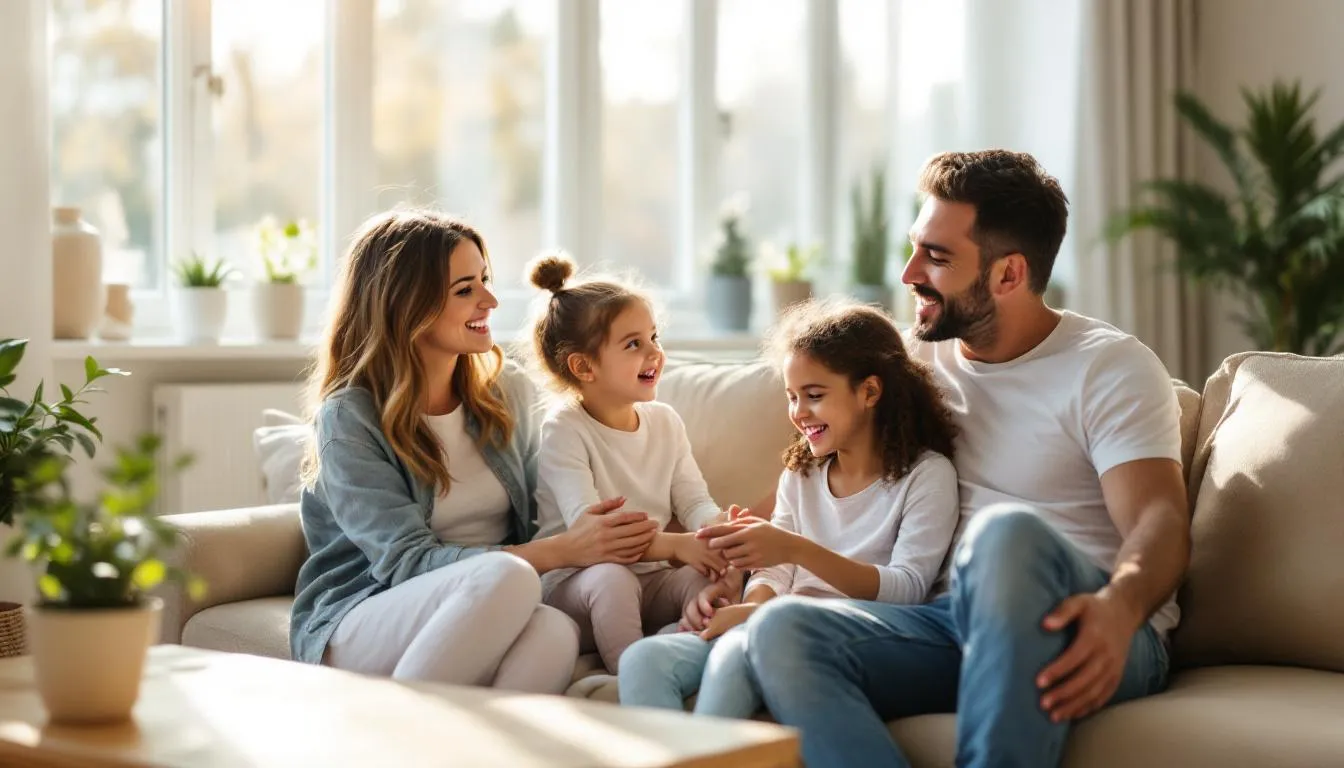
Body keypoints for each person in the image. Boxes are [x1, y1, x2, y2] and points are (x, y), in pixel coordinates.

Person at [743, 150, 1190, 767]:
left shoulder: (1108, 367)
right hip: (950, 624)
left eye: (937, 256)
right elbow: (813, 474)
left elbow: (1159, 522)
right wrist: (725, 543)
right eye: (914, 246)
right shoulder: (910, 366)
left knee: (1004, 536)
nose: (908, 274)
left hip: (1091, 625)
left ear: (1008, 275)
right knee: (782, 631)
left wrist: (1120, 608)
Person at [290, 210, 660, 695]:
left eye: (484, 280)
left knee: (556, 630)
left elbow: (542, 511)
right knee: (511, 577)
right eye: (465, 289)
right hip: (365, 611)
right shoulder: (350, 416)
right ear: (407, 305)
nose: (490, 299)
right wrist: (559, 551)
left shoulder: (507, 393)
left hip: (488, 599)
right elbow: (404, 563)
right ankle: (392, 734)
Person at [617, 299, 960, 719]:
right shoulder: (802, 475)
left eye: (814, 396)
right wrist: (747, 604)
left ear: (869, 391)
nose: (798, 413)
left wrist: (794, 552)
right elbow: (772, 571)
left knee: (733, 660)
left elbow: (907, 588)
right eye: (791, 397)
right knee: (643, 661)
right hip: (769, 619)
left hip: (840, 638)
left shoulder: (927, 476)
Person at [527, 252, 732, 674]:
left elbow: (693, 501)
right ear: (583, 366)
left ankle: (676, 646)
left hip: (652, 578)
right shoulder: (565, 428)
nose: (655, 352)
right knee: (613, 579)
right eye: (634, 344)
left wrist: (719, 531)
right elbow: (596, 535)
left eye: (654, 337)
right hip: (579, 585)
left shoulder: (665, 422)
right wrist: (677, 545)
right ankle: (633, 672)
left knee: (702, 578)